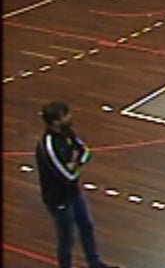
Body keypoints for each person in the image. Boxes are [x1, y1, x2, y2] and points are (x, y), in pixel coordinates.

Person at [35, 101, 120, 268]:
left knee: (86, 226)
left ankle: (94, 263)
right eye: (65, 116)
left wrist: (75, 162)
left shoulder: (68, 133)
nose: (69, 117)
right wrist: (76, 162)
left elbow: (85, 152)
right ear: (54, 122)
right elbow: (67, 175)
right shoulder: (49, 147)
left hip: (74, 193)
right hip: (59, 200)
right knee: (67, 238)